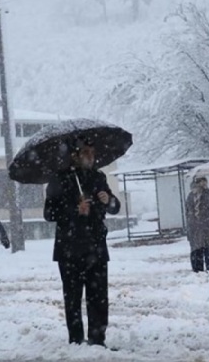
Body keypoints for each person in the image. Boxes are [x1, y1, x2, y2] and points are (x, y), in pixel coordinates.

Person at [44, 137, 121, 347]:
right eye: (86, 152)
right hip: (69, 249)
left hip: (95, 246)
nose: (91, 156)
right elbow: (49, 213)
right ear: (75, 155)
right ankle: (76, 340)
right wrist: (73, 210)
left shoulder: (98, 178)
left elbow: (115, 207)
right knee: (73, 298)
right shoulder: (59, 179)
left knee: (99, 297)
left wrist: (109, 200)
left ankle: (98, 340)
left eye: (92, 153)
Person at [185, 176, 209, 273]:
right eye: (204, 182)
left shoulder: (191, 195)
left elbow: (188, 211)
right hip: (207, 225)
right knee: (208, 248)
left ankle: (197, 269)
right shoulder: (208, 194)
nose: (205, 184)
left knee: (197, 248)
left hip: (195, 226)